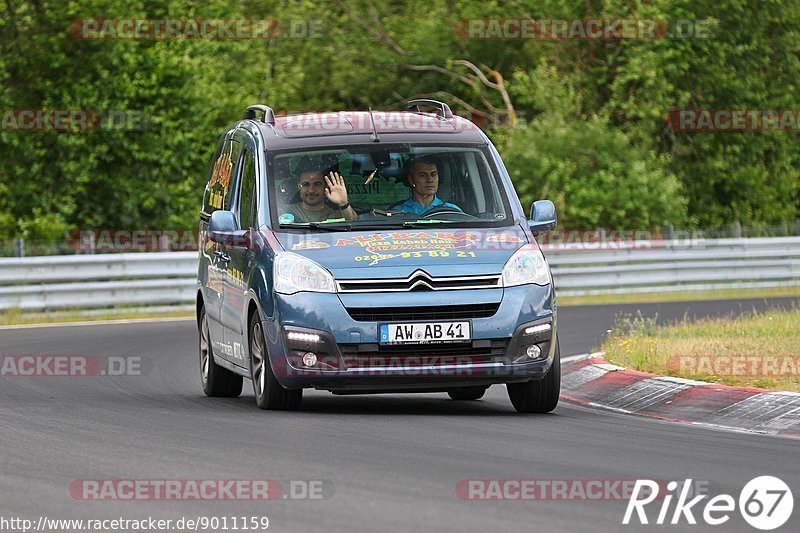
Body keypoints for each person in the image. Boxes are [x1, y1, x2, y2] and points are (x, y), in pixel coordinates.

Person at [282, 162, 358, 223]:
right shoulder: (284, 212)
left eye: (317, 184)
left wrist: (343, 203)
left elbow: (354, 225)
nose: (311, 190)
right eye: (305, 184)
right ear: (299, 187)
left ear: (325, 186)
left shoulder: (335, 215)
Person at [392, 156, 461, 215]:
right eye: (423, 175)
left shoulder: (452, 211)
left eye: (433, 174)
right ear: (411, 180)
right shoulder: (398, 211)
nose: (430, 180)